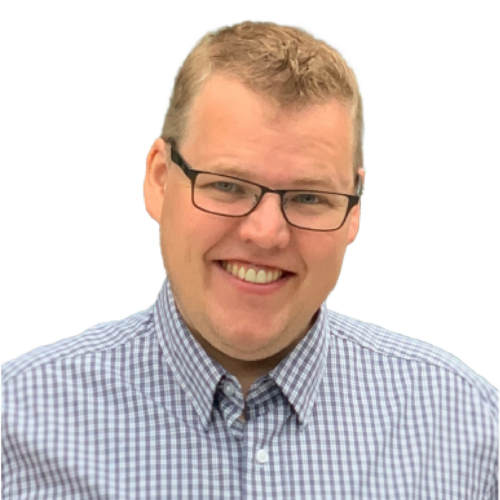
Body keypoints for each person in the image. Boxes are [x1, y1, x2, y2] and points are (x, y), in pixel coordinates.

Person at [2, 20, 497, 499]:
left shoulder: (464, 424)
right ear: (158, 180)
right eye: (227, 186)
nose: (266, 234)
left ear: (354, 210)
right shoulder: (18, 421)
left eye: (308, 197)